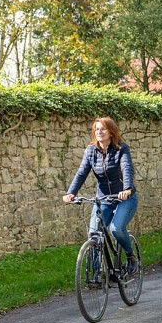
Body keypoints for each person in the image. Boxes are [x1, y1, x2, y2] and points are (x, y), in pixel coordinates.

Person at [63, 117, 139, 274]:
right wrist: (71, 193)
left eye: (103, 129)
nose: (99, 132)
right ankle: (98, 274)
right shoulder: (91, 151)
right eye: (96, 129)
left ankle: (131, 256)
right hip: (103, 198)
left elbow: (127, 169)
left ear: (111, 132)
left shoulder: (121, 148)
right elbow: (81, 172)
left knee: (116, 229)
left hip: (125, 198)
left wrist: (127, 189)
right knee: (94, 234)